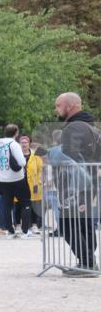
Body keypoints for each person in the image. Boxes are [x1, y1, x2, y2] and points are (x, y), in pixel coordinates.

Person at [53, 91, 98, 276]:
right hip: (88, 182)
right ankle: (88, 262)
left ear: (70, 106)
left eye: (58, 105)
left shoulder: (74, 128)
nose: (56, 109)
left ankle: (87, 264)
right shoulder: (90, 126)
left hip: (76, 184)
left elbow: (70, 156)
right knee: (83, 223)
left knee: (67, 225)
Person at [0, 124, 27, 238]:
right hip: (17, 178)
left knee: (7, 205)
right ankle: (25, 230)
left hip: (3, 179)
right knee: (25, 203)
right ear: (16, 133)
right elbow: (22, 162)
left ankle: (10, 230)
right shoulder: (14, 144)